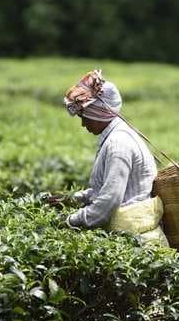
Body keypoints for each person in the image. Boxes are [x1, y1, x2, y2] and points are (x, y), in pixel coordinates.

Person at [56, 69, 169, 246]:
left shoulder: (118, 143)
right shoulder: (114, 136)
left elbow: (110, 200)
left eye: (84, 116)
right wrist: (71, 198)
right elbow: (104, 190)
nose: (83, 123)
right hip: (132, 235)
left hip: (138, 243)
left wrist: (70, 220)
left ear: (99, 112)